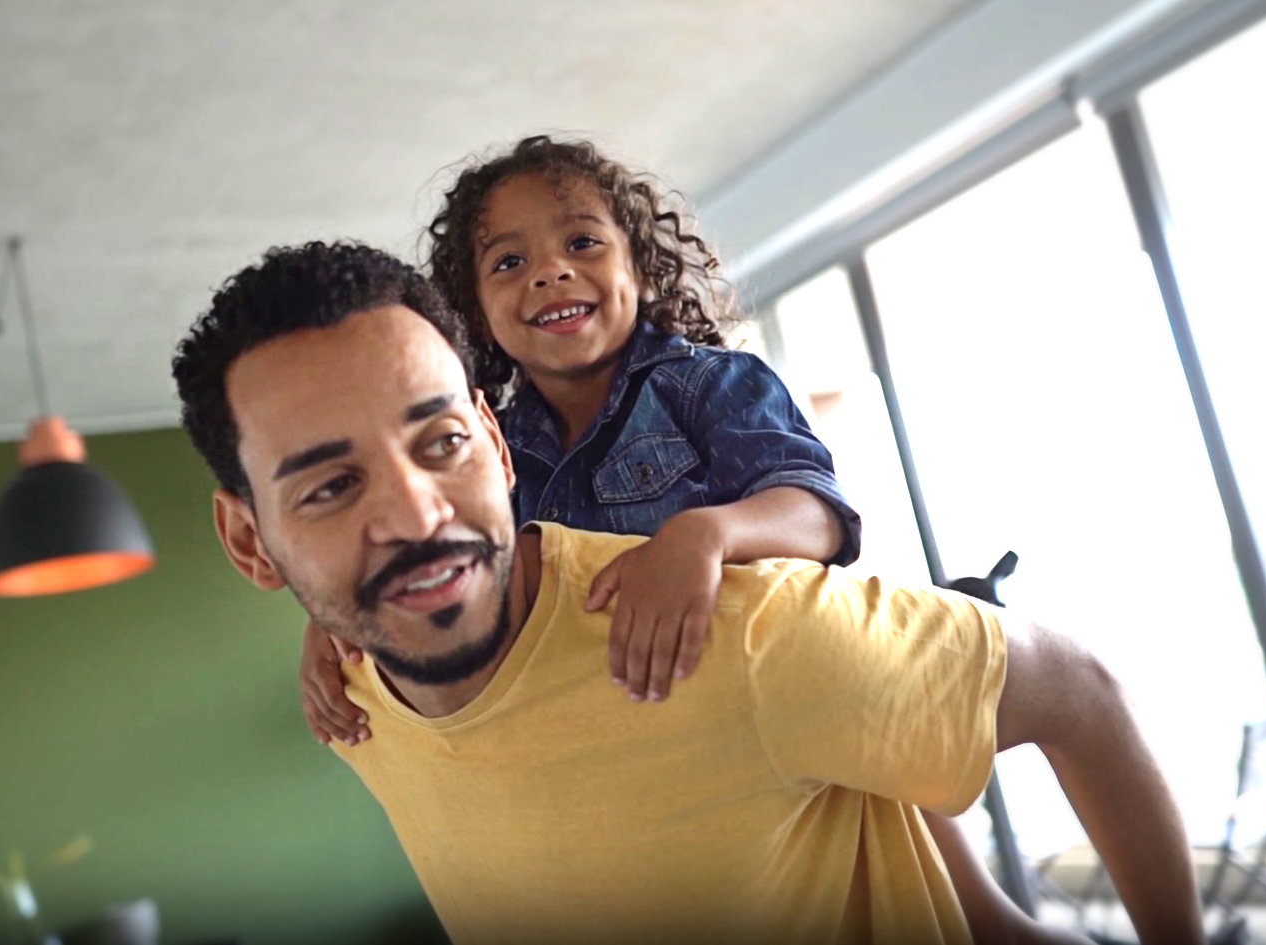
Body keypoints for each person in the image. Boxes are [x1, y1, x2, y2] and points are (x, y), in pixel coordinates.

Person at [172, 241, 1203, 945]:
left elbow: (1085, 693)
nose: (417, 513)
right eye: (331, 485)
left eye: (440, 442)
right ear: (248, 540)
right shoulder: (355, 697)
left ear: (493, 440)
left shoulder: (741, 639)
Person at [297, 135, 1066, 944]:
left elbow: (819, 514)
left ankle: (997, 915)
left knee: (926, 854)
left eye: (581, 242)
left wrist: (707, 533)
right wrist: (332, 621)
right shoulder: (494, 445)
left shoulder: (707, 381)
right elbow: (447, 550)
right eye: (507, 263)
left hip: (776, 688)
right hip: (644, 738)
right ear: (474, 313)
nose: (549, 272)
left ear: (640, 264)